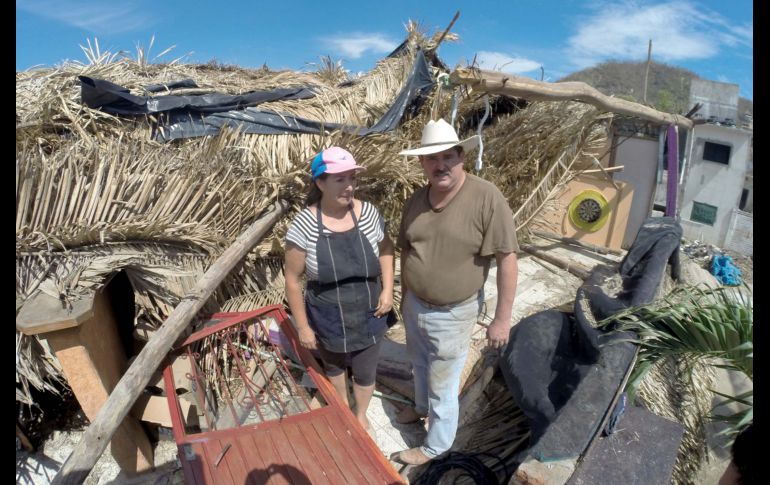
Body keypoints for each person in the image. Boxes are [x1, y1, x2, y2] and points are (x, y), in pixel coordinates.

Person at [391, 119, 519, 465]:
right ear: (422, 163)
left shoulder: (486, 197)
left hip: (455, 312)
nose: (440, 164)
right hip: (416, 303)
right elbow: (406, 249)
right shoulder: (416, 200)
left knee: (442, 381)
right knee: (418, 364)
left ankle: (435, 446)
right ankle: (418, 409)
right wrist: (405, 297)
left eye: (448, 156)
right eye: (432, 158)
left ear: (461, 156)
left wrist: (502, 319)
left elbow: (508, 259)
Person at [284, 146, 394, 431]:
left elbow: (386, 249)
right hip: (327, 313)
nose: (349, 186)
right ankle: (343, 407)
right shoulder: (305, 224)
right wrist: (304, 327)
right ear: (320, 183)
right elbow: (293, 280)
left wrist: (388, 289)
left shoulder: (368, 213)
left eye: (351, 178)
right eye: (339, 179)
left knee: (366, 369)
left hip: (370, 308)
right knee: (333, 365)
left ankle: (360, 414)